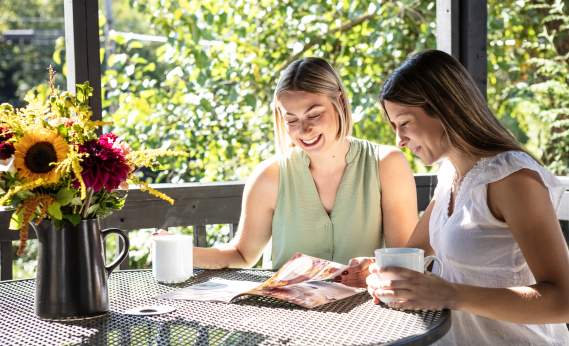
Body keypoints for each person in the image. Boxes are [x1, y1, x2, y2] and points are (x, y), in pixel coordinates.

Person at [367, 49, 569, 344]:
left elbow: (563, 301)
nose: (399, 140)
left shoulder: (512, 179)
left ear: (444, 108)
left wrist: (450, 294)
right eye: (394, 127)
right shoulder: (450, 174)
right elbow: (413, 254)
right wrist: (377, 272)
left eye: (405, 123)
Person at [194, 57, 418, 286]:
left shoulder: (387, 165)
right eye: (291, 120)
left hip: (364, 316)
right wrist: (180, 250)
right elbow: (241, 254)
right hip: (286, 315)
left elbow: (404, 259)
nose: (304, 130)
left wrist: (370, 270)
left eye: (313, 115)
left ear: (339, 102)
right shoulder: (269, 176)